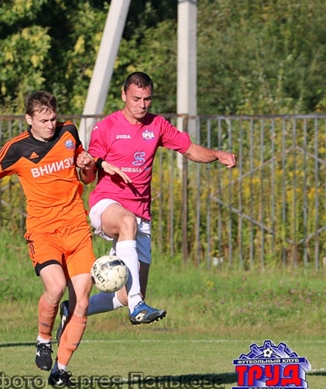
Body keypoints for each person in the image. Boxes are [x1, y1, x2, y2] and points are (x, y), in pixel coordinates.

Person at [0, 91, 126, 387]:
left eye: (53, 118)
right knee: (55, 287)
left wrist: (87, 165)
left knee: (82, 302)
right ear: (29, 119)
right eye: (43, 121)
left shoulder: (69, 132)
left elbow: (86, 177)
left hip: (76, 230)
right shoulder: (17, 148)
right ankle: (43, 339)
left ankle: (61, 369)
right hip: (43, 231)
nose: (50, 125)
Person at [58, 72, 237, 335]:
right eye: (136, 99)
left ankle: (72, 309)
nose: (142, 105)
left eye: (147, 99)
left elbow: (189, 149)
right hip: (107, 204)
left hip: (141, 213)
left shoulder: (157, 125)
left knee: (125, 294)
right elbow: (88, 176)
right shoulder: (106, 127)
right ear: (124, 96)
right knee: (127, 223)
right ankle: (137, 305)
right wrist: (85, 166)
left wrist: (217, 154)